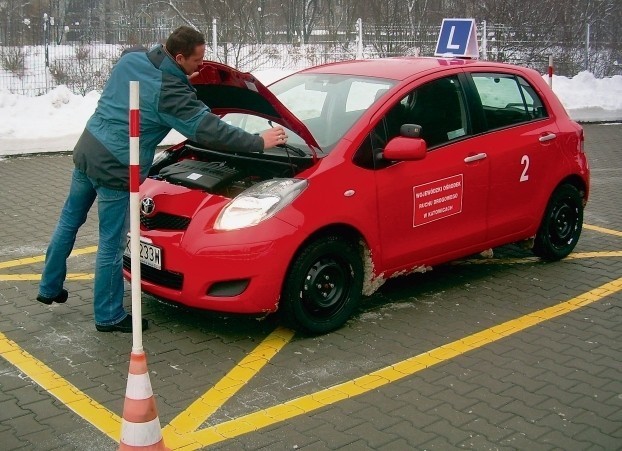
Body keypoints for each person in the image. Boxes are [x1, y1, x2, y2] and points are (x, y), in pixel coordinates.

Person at [36, 26, 287, 333]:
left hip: (89, 147)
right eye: (197, 60)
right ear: (179, 56)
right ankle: (108, 315)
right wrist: (258, 141)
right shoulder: (170, 92)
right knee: (111, 245)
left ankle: (49, 288)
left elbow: (156, 78)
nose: (201, 66)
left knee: (69, 220)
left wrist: (182, 78)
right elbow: (207, 129)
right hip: (117, 165)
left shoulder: (133, 58)